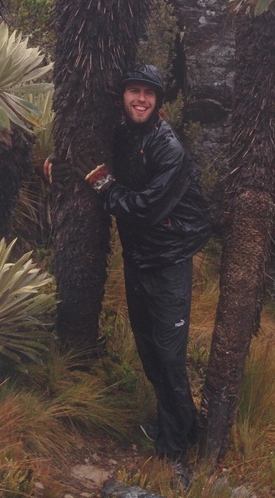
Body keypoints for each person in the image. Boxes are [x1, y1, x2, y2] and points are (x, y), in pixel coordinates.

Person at [48, 64, 212, 465]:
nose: (140, 99)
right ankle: (181, 426)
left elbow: (144, 207)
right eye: (134, 91)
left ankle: (175, 453)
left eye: (148, 94)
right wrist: (64, 163)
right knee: (150, 351)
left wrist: (105, 186)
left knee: (170, 355)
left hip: (170, 260)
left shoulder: (168, 147)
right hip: (139, 258)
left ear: (158, 102)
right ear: (123, 97)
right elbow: (95, 158)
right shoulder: (124, 134)